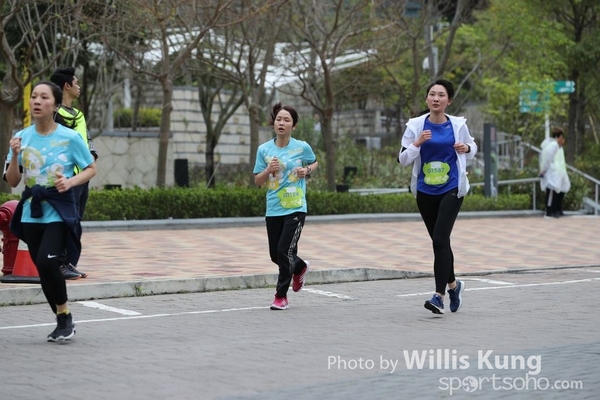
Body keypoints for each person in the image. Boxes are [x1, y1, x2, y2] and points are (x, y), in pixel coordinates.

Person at [5, 81, 96, 341]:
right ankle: (63, 317)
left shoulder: (70, 138)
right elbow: (12, 180)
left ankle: (64, 317)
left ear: (55, 105)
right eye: (34, 96)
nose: (37, 101)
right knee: (43, 268)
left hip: (59, 208)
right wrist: (14, 155)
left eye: (44, 97)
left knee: (47, 261)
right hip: (31, 211)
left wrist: (70, 182)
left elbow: (91, 168)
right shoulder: (22, 137)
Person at [397, 79, 477, 315]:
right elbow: (403, 159)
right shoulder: (415, 126)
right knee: (440, 242)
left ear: (448, 101)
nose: (436, 98)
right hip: (425, 192)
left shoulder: (458, 125)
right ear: (427, 99)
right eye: (432, 94)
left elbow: (472, 147)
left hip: (451, 188)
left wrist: (466, 148)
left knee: (440, 239)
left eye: (441, 95)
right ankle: (454, 286)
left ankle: (438, 296)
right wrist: (417, 143)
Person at [253, 103, 318, 310]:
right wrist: (267, 171)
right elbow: (257, 180)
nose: (281, 123)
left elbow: (314, 162)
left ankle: (280, 296)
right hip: (274, 207)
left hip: (296, 207)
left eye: (286, 120)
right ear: (274, 123)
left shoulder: (302, 147)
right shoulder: (264, 149)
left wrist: (306, 171)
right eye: (279, 119)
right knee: (276, 254)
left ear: (294, 126)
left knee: (284, 250)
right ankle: (299, 267)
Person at [50, 66, 98, 279]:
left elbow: (87, 139)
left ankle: (68, 262)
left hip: (82, 176)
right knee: (64, 221)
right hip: (65, 178)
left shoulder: (78, 114)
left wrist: (92, 156)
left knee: (75, 221)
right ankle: (58, 264)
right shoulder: (53, 113)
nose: (79, 87)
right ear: (67, 86)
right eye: (76, 83)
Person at [539, 128, 571, 218]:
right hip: (551, 173)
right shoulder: (553, 145)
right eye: (562, 137)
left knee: (557, 191)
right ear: (558, 137)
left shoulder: (557, 146)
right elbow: (547, 159)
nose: (563, 140)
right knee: (551, 192)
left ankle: (555, 210)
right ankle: (549, 211)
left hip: (556, 173)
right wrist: (543, 170)